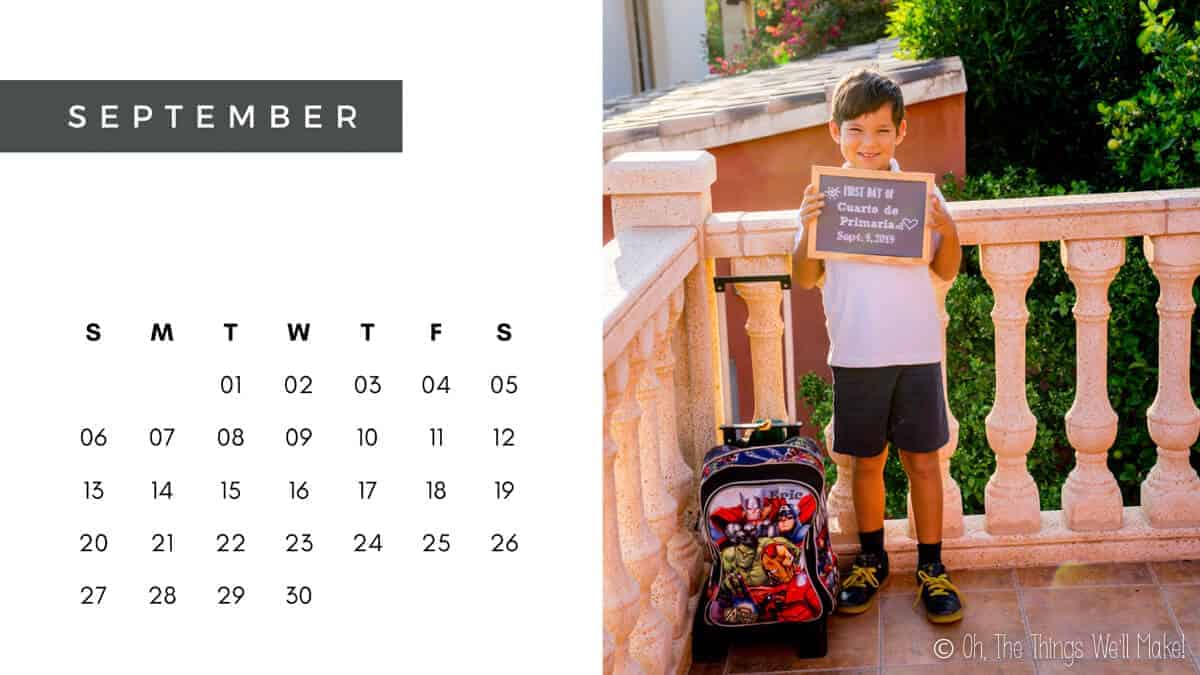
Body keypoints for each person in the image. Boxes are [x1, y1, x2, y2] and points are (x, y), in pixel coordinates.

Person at [791, 68, 964, 623]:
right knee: (865, 464)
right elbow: (804, 276)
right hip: (857, 355)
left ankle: (932, 567)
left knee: (924, 463)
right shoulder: (825, 196)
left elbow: (947, 267)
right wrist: (803, 229)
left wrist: (949, 229)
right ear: (835, 132)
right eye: (857, 130)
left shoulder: (922, 193)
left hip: (915, 351)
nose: (869, 143)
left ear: (901, 133)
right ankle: (871, 560)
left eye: (882, 131)